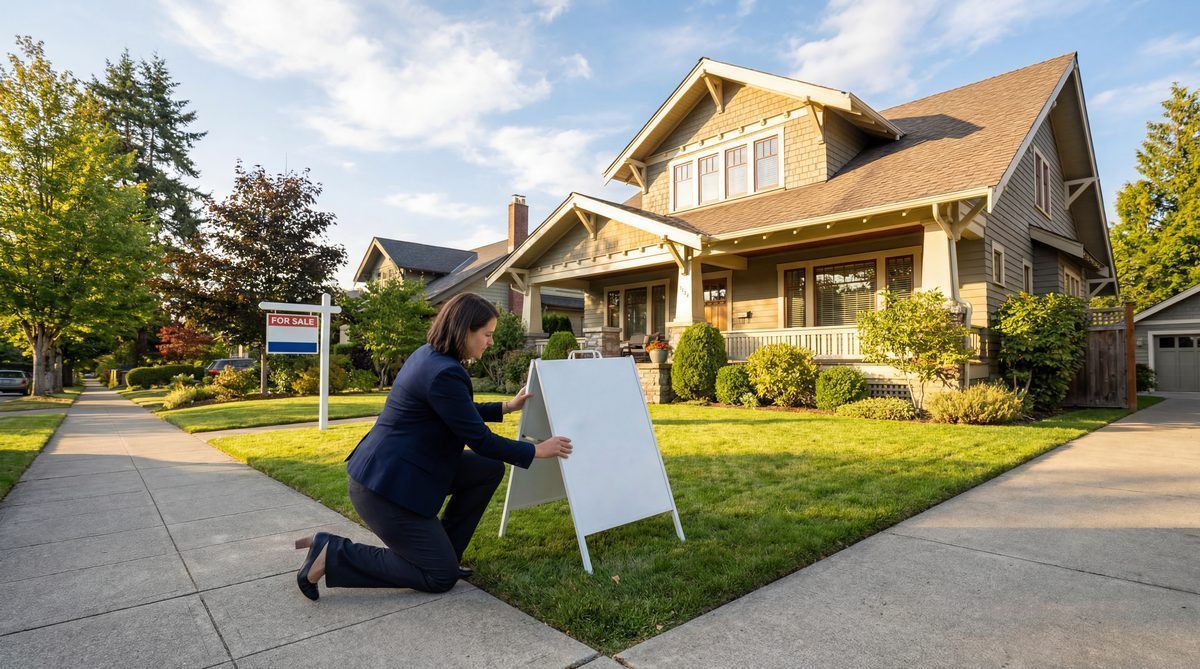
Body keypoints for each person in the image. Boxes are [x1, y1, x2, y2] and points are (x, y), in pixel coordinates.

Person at [293, 293, 573, 600]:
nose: (490, 342)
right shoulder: (444, 371)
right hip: (386, 489)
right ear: (465, 331)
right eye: (487, 334)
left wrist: (507, 406)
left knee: (486, 470)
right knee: (438, 576)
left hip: (401, 471)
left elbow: (455, 412)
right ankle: (332, 553)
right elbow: (479, 439)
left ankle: (447, 555)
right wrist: (537, 450)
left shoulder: (431, 357)